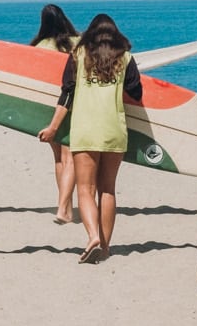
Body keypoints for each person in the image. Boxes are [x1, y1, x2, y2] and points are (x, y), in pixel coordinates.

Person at [38, 13, 142, 262]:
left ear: (90, 35)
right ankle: (105, 248)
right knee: (108, 190)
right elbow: (135, 93)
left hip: (85, 129)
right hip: (114, 131)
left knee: (85, 189)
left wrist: (53, 128)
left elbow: (67, 95)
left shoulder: (78, 55)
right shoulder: (125, 58)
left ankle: (93, 235)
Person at [30, 4, 80, 224]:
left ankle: (65, 206)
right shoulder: (77, 43)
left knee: (58, 158)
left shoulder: (38, 47)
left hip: (47, 108)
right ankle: (65, 209)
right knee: (70, 158)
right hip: (71, 104)